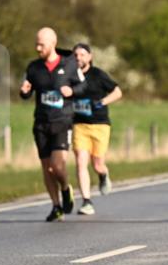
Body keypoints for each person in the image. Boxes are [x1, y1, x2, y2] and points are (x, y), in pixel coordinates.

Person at [19, 27, 87, 222]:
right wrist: (24, 91)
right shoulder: (33, 68)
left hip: (62, 120)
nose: (37, 47)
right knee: (47, 168)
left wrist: (71, 91)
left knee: (57, 166)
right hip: (41, 122)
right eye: (36, 43)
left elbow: (84, 86)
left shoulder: (70, 64)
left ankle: (66, 189)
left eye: (41, 44)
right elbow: (25, 93)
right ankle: (56, 206)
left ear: (52, 43)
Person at [71, 44, 123, 215]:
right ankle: (86, 201)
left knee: (97, 163)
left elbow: (117, 92)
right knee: (80, 161)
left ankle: (103, 175)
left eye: (82, 54)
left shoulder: (98, 75)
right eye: (76, 55)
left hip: (100, 124)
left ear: (90, 57)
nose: (79, 58)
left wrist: (101, 102)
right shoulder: (70, 76)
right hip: (79, 124)